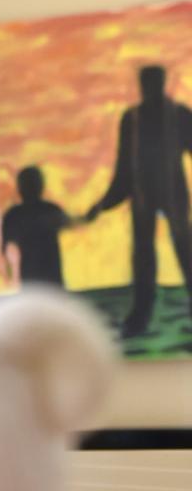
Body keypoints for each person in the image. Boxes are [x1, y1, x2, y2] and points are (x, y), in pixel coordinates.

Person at [85, 65, 192, 338]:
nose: (149, 88)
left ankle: (138, 322)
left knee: (185, 253)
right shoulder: (131, 120)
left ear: (159, 83)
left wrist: (104, 204)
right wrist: (103, 204)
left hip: (173, 198)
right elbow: (124, 171)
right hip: (143, 199)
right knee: (144, 258)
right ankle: (138, 321)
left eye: (152, 82)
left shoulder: (179, 115)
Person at [1, 164, 75, 288]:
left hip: (31, 282)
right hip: (52, 282)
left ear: (19, 188)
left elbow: (5, 250)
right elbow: (72, 223)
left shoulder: (13, 216)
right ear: (41, 186)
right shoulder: (50, 210)